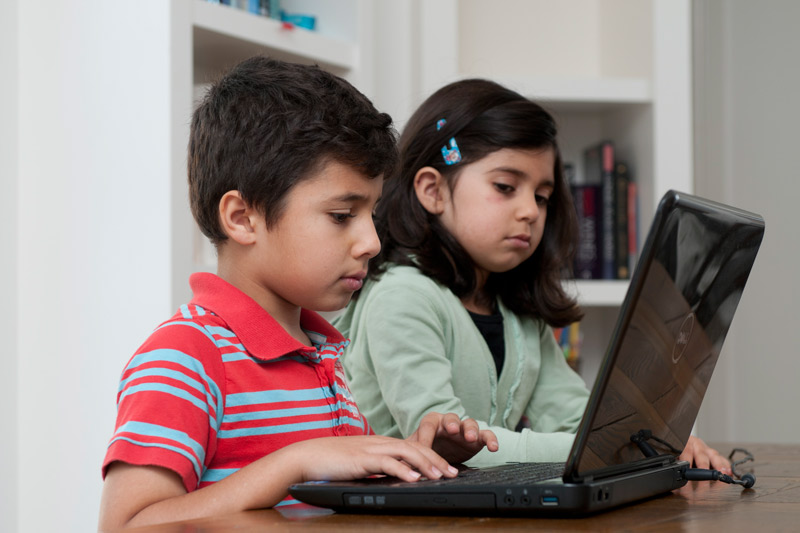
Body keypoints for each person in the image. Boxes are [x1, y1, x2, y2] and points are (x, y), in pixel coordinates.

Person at [98, 57, 498, 530]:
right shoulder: (185, 357)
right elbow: (127, 524)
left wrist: (415, 460)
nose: (371, 241)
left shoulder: (321, 354)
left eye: (371, 213)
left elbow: (327, 499)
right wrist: (296, 462)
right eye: (341, 215)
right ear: (243, 218)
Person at [334, 78, 730, 473]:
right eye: (506, 187)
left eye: (542, 196)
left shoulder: (515, 310)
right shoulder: (402, 296)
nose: (531, 211)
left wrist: (651, 442)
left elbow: (574, 417)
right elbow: (447, 444)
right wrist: (616, 447)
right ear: (432, 191)